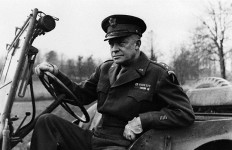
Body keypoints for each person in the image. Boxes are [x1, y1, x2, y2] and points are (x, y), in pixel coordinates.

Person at [31, 14, 195, 150]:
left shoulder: (157, 74)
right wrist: (56, 75)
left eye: (121, 43)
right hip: (96, 138)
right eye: (111, 43)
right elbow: (80, 95)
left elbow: (184, 113)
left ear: (137, 44)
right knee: (46, 121)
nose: (114, 49)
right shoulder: (105, 69)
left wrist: (142, 121)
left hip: (124, 144)